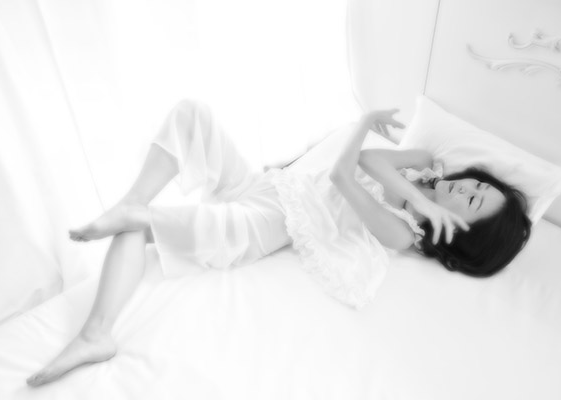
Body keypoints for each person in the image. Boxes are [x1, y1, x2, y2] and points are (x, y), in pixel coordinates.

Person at [26, 99, 531, 387]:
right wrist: (418, 190)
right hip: (271, 185)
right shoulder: (423, 165)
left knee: (142, 225)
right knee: (189, 115)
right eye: (476, 185)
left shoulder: (403, 233)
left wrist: (398, 180)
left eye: (471, 203)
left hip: (273, 221)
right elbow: (372, 160)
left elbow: (345, 174)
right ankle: (128, 204)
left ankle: (96, 332)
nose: (466, 189)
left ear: (458, 233)